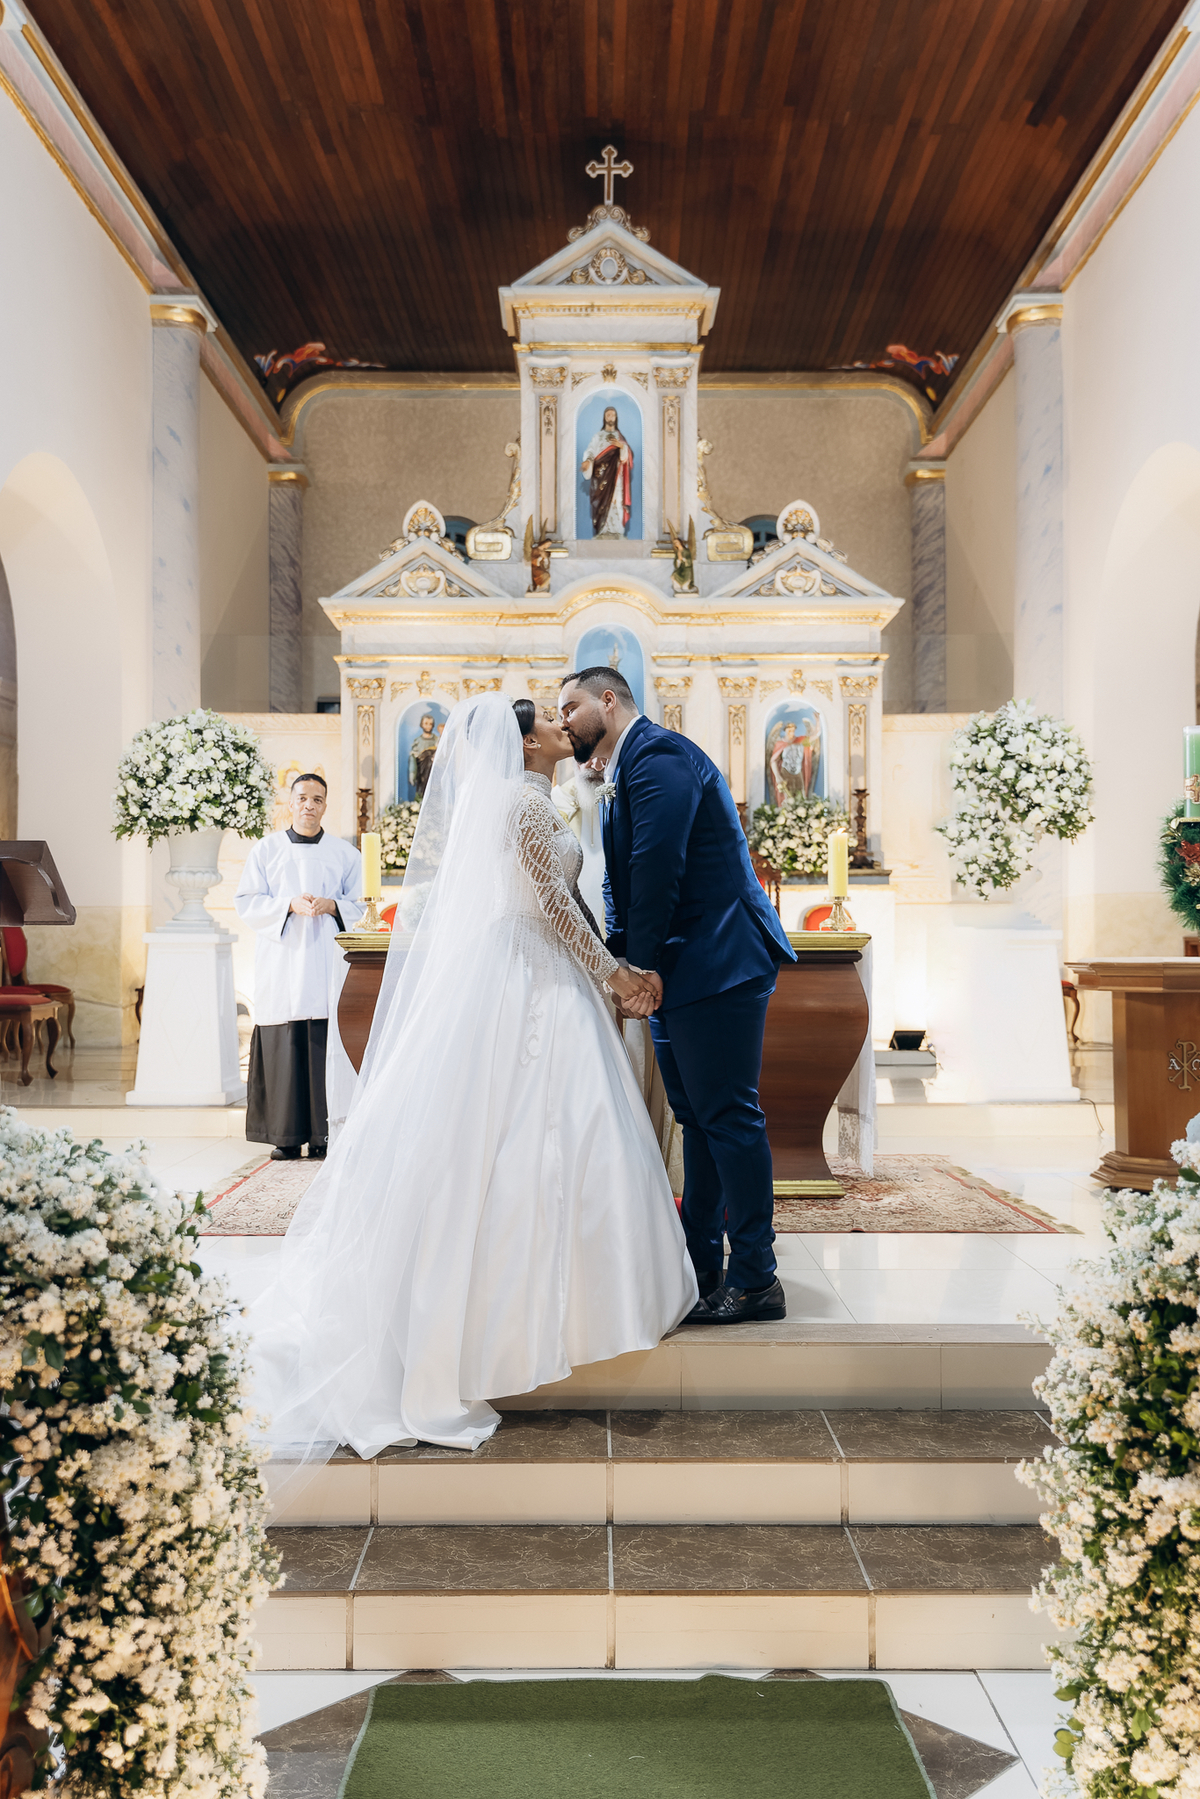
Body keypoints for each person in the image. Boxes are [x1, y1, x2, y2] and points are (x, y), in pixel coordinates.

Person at [249, 694, 695, 1459]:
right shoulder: (522, 807)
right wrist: (614, 975)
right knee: (530, 1138)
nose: (564, 724)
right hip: (530, 972)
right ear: (525, 744)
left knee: (549, 1135)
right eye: (549, 721)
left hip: (540, 970)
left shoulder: (533, 798)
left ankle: (565, 1312)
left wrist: (604, 974)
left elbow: (562, 906)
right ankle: (532, 1322)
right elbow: (553, 905)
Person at [558, 666, 798, 1324]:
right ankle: (701, 1267)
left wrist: (640, 963)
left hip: (718, 959)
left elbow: (660, 866)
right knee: (697, 1120)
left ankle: (757, 1277)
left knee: (729, 1116)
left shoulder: (658, 754)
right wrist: (623, 961)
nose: (563, 721)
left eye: (571, 706)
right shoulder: (620, 768)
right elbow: (622, 881)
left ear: (609, 700)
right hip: (681, 968)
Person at [235, 773, 363, 1161]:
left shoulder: (345, 854)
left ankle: (323, 1134)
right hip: (284, 957)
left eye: (318, 799)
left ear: (326, 806)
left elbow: (362, 905)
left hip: (325, 956)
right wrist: (287, 905)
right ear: (290, 803)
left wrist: (333, 905)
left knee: (324, 1041)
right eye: (303, 798)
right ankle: (285, 1135)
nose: (310, 805)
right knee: (284, 1042)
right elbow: (246, 901)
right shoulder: (266, 850)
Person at [581, 405, 633, 538]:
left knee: (616, 500)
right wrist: (587, 461)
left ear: (616, 418)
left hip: (616, 477)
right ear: (604, 418)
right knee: (602, 503)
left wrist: (621, 446)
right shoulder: (598, 436)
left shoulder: (619, 437)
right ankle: (603, 530)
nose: (610, 417)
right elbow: (591, 451)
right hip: (601, 476)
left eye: (613, 415)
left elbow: (625, 457)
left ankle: (617, 529)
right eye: (608, 415)